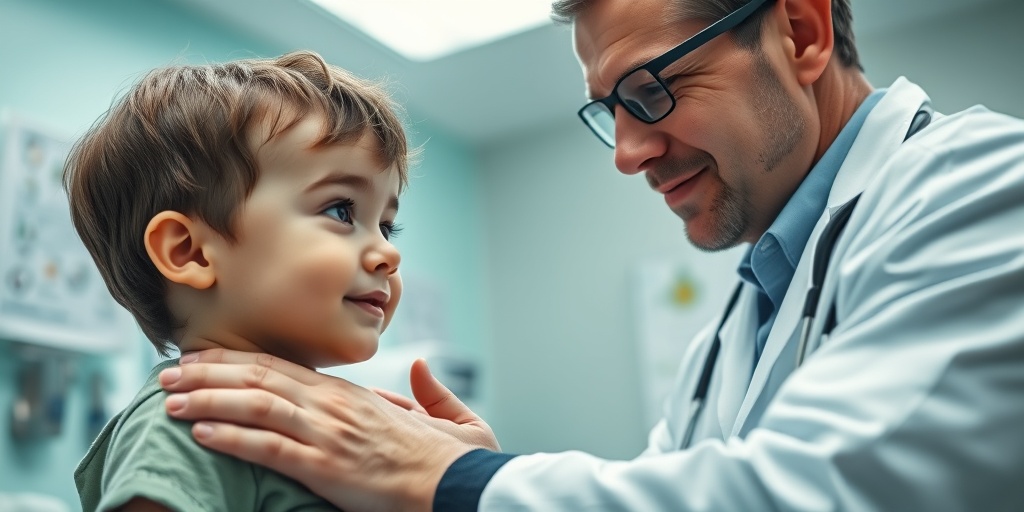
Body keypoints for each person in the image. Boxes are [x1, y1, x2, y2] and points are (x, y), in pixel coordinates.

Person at [158, 0, 1024, 509]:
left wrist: (462, 482)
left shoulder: (984, 188)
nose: (626, 151)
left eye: (651, 89)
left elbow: (821, 493)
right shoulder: (733, 330)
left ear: (799, 29)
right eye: (609, 109)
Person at [66, 50, 413, 511]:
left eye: (386, 226)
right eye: (341, 210)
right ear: (188, 251)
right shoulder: (194, 413)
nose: (388, 253)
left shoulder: (349, 431)